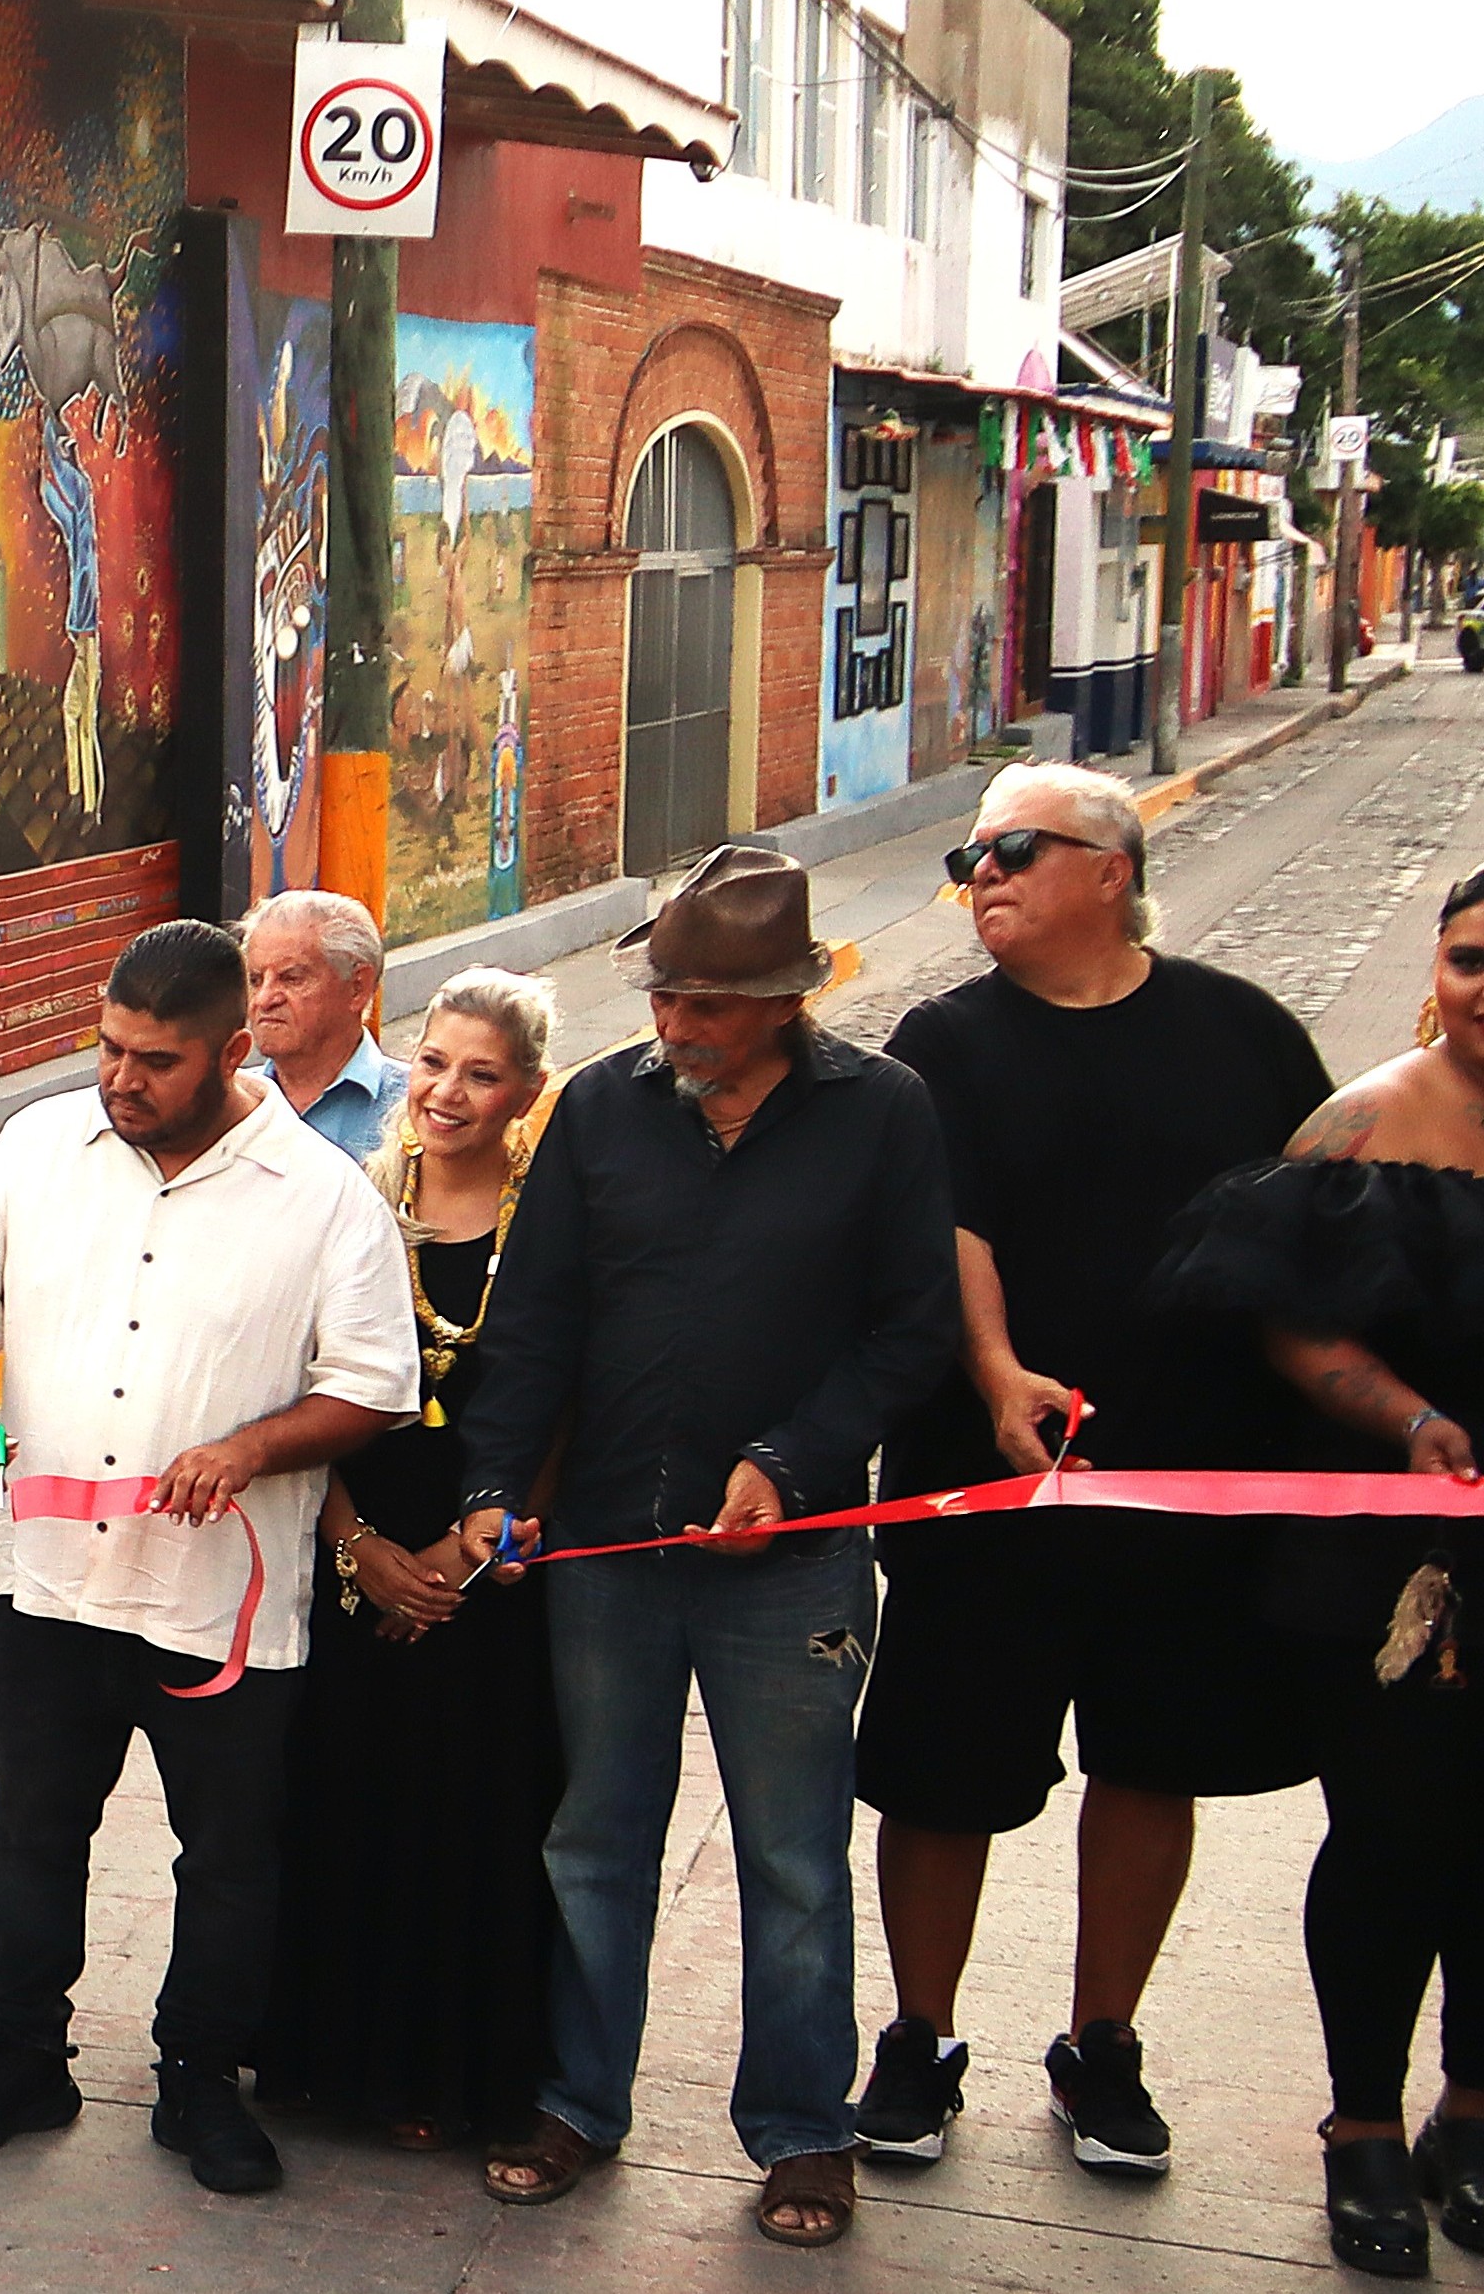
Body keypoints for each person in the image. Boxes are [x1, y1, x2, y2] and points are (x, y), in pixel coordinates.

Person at [439, 844, 964, 2248]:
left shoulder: (884, 1113)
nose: (677, 1024)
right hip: (607, 1545)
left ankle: (803, 2126)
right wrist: (494, 1482)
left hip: (790, 1557)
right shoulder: (602, 1110)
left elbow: (911, 1332)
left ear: (789, 998)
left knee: (793, 1855)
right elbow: (536, 1318)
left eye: (711, 1005)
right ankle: (576, 2097)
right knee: (595, 1837)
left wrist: (787, 1461)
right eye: (665, 994)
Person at [859, 763, 1333, 2179]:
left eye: (1011, 849)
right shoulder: (942, 1041)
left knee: (1152, 1759)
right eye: (968, 854)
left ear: (1113, 867)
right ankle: (919, 2036)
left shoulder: (1243, 1033)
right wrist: (999, 1374)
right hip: (985, 1484)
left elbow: (1314, 1216)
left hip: (1194, 1487)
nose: (980, 873)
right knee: (941, 1774)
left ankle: (1100, 2042)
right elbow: (951, 1224)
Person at [0, 920, 412, 2196]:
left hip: (223, 1608)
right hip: (54, 1583)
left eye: (155, 1061)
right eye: (109, 1047)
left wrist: (248, 1449)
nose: (119, 1080)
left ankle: (200, 2077)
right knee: (30, 1834)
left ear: (234, 1051)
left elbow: (374, 1389)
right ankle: (22, 2055)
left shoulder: (325, 1198)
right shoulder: (38, 1147)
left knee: (230, 1857)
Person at [1154, 862, 1484, 2276]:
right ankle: (1362, 2125)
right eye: (1473, 958)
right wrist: (1409, 1419)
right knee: (1398, 1834)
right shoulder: (1363, 1123)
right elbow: (1279, 1311)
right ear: (1440, 966)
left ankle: (1470, 2110)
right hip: (1386, 1554)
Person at [254, 971, 565, 2151]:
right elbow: (293, 1383)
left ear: (527, 1092)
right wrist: (363, 1548)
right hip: (350, 1558)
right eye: (433, 1062)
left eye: (482, 1074)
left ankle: (451, 2075)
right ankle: (330, 2066)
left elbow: (564, 1402)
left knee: (478, 1822)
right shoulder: (349, 1202)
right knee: (342, 1804)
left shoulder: (554, 1221)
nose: (447, 1092)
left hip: (499, 1571)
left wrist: (461, 1558)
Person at [241, 890, 405, 1162]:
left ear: (357, 987)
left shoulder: (416, 1111)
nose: (264, 999)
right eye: (256, 980)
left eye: (291, 978)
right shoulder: (230, 1104)